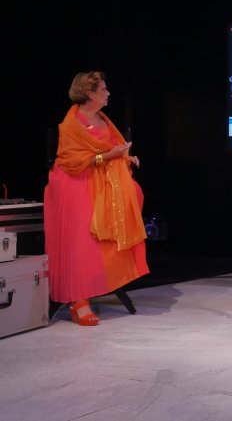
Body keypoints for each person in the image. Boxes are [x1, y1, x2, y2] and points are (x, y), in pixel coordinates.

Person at [43, 71, 149, 326]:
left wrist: (125, 157)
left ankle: (100, 280)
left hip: (102, 180)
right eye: (103, 89)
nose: (108, 93)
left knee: (131, 195)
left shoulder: (102, 118)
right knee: (83, 236)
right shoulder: (71, 124)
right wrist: (109, 156)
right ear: (90, 94)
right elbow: (73, 160)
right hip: (74, 181)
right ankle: (78, 300)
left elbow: (109, 149)